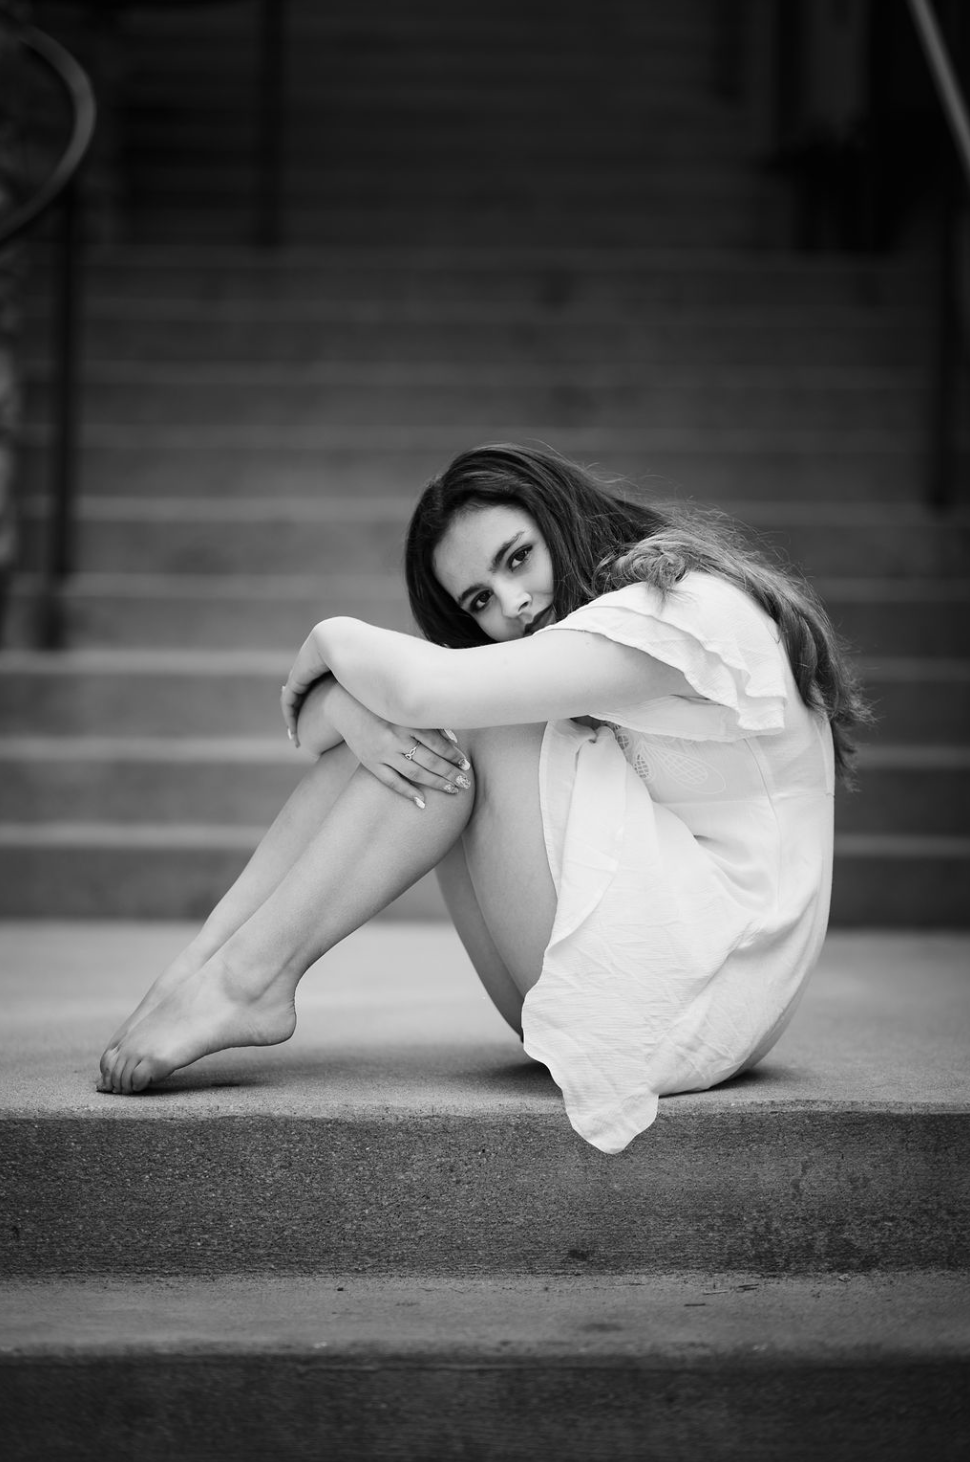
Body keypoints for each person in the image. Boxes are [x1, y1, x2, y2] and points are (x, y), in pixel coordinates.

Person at [98, 443, 869, 1154]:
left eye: (517, 559)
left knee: (461, 728)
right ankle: (202, 973)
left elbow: (421, 688)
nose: (511, 604)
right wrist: (347, 712)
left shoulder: (682, 608)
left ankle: (251, 983)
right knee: (428, 732)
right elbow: (315, 733)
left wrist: (332, 635)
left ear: (559, 514)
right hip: (631, 980)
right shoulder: (599, 631)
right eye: (478, 599)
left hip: (707, 989)